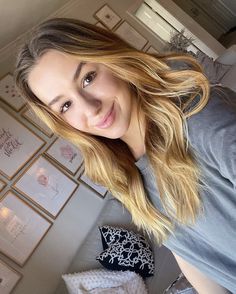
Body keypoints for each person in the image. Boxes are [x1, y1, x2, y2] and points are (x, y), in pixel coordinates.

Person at [14, 18, 236, 294]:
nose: (90, 108)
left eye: (88, 78)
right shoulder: (124, 175)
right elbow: (190, 251)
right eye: (66, 105)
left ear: (113, 58)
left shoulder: (201, 121)